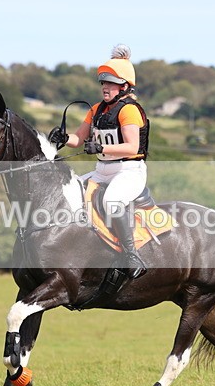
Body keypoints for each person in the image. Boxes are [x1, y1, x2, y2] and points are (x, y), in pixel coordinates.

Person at [48, 44, 150, 280]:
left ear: (124, 87)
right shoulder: (96, 110)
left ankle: (131, 255)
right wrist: (64, 138)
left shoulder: (130, 111)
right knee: (69, 193)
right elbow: (78, 139)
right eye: (103, 82)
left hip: (128, 171)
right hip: (102, 170)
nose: (105, 86)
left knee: (112, 201)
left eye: (111, 83)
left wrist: (101, 147)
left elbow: (132, 147)